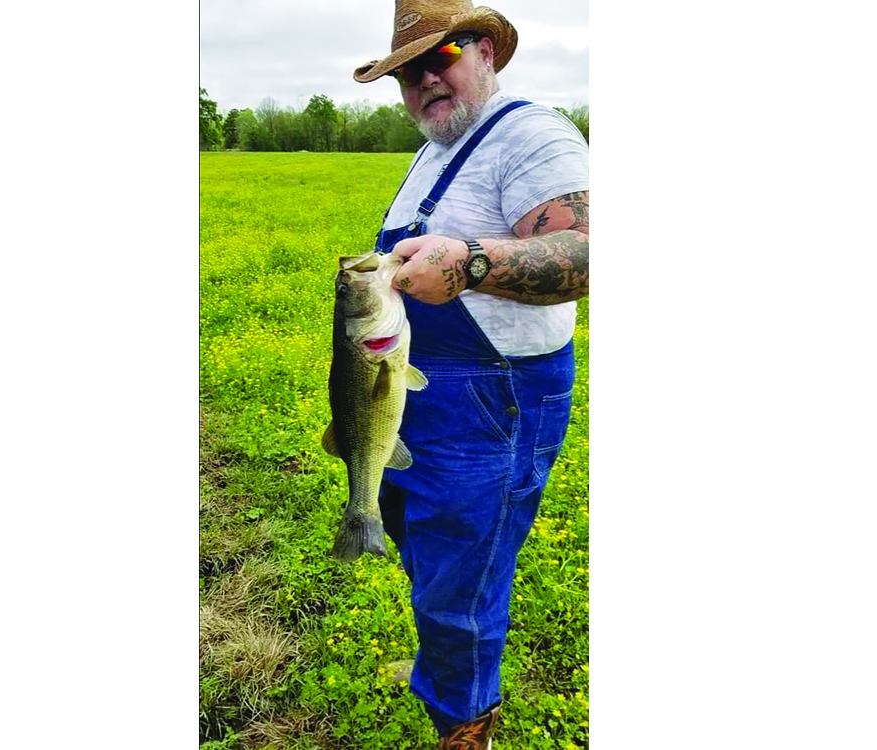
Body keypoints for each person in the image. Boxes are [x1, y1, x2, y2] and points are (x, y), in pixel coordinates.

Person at [353, 1, 589, 747]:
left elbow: (590, 252)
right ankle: (446, 664)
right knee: (424, 546)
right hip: (422, 395)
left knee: (465, 583)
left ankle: (464, 723)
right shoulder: (437, 148)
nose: (425, 78)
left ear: (485, 50)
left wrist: (473, 262)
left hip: (495, 402)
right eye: (407, 72)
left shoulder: (532, 133)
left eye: (443, 55)